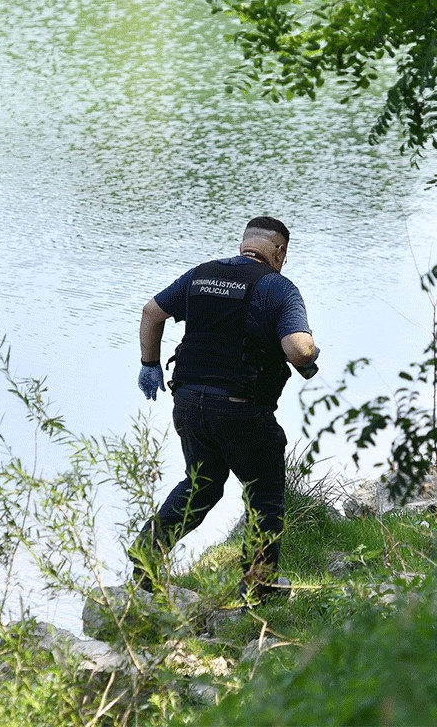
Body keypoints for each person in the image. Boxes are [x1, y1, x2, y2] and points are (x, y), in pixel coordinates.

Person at [132, 216, 318, 602]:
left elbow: (152, 312)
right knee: (264, 495)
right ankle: (260, 586)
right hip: (240, 411)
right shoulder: (278, 287)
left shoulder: (200, 275)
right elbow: (298, 349)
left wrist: (150, 365)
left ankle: (146, 555)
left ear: (244, 244)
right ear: (280, 252)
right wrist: (311, 355)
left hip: (188, 406)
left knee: (201, 485)